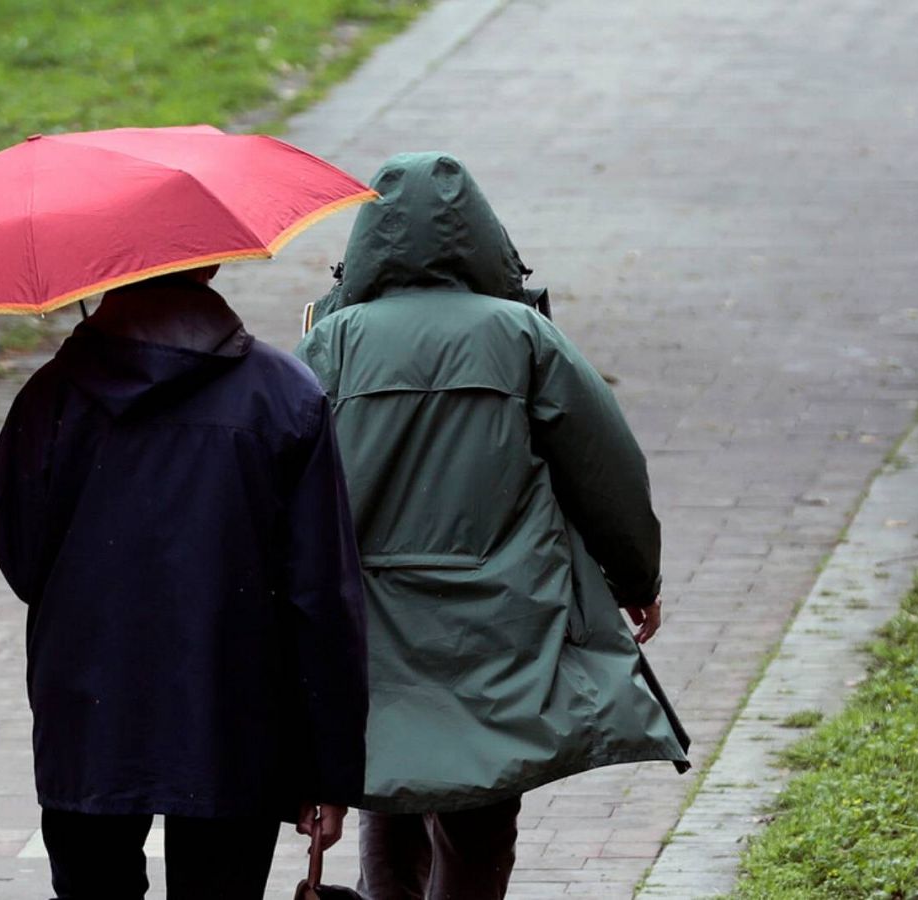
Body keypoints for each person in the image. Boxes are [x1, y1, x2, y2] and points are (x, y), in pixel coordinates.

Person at [296, 153, 690, 900]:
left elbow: (288, 487)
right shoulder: (521, 336)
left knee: (390, 780)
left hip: (374, 620)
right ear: (484, 237)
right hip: (501, 615)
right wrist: (636, 578)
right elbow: (607, 466)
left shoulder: (330, 345)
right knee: (482, 803)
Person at [0, 265, 368, 899]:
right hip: (236, 712)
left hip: (88, 708)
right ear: (212, 262)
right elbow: (321, 596)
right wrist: (328, 769)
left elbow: (23, 560)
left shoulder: (51, 395)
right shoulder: (285, 396)